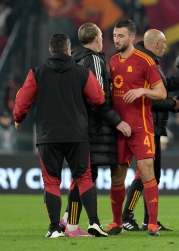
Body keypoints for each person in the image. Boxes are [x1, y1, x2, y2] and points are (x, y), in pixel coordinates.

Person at [13, 34, 108, 238]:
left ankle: (55, 228)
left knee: (52, 182)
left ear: (50, 51)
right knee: (84, 178)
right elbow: (99, 98)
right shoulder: (81, 72)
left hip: (49, 136)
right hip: (77, 134)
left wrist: (18, 118)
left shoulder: (37, 73)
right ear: (67, 50)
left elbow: (22, 101)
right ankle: (95, 223)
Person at [59, 23, 132, 237]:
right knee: (86, 176)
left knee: (83, 175)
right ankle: (73, 225)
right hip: (93, 128)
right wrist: (117, 121)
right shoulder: (94, 59)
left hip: (76, 125)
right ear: (97, 38)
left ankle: (68, 221)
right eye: (102, 36)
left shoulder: (75, 59)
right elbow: (97, 99)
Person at [107, 19, 167, 237]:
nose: (116, 39)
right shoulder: (112, 62)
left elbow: (162, 93)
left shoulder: (145, 61)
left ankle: (152, 224)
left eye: (121, 36)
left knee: (146, 172)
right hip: (119, 129)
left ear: (132, 38)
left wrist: (143, 91)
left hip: (141, 127)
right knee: (117, 177)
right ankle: (116, 223)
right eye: (114, 36)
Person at [121, 29, 179, 232]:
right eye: (163, 44)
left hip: (151, 124)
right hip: (145, 125)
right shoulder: (143, 62)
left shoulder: (149, 60)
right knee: (146, 174)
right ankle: (127, 216)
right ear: (156, 45)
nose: (165, 47)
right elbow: (148, 98)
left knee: (151, 174)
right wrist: (173, 104)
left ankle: (148, 219)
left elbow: (162, 86)